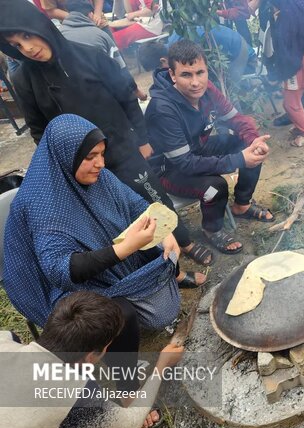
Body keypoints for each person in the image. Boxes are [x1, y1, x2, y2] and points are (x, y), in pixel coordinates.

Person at [0, 0, 214, 268]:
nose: (27, 48)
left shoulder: (90, 56)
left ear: (40, 25)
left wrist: (143, 139)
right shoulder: (24, 80)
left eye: (27, 35)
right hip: (83, 163)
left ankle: (185, 241)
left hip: (122, 148)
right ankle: (157, 263)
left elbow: (126, 96)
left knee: (153, 197)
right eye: (17, 44)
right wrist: (62, 167)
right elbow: (39, 129)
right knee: (117, 216)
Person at [2, 114, 192, 334]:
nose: (100, 163)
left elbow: (137, 206)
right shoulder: (42, 203)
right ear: (67, 156)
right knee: (120, 312)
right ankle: (120, 361)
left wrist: (165, 233)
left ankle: (169, 283)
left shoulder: (101, 177)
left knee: (163, 248)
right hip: (55, 287)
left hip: (104, 251)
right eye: (91, 156)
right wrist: (126, 247)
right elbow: (59, 270)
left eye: (102, 154)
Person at [0, 291, 184, 428]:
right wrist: (161, 366)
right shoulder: (72, 392)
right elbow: (129, 426)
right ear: (91, 355)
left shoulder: (5, 339)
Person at [145, 40, 274, 254]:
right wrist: (239, 160)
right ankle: (212, 229)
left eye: (200, 72)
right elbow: (185, 164)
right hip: (170, 170)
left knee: (250, 147)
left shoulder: (207, 90)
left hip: (198, 150)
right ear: (172, 75)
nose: (196, 82)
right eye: (186, 75)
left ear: (206, 70)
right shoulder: (163, 109)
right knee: (216, 186)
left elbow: (237, 119)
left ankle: (242, 204)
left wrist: (254, 141)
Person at [269, 0, 304, 147]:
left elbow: (288, 50)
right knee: (292, 100)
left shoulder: (288, 17)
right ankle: (300, 126)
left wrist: (282, 73)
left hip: (295, 63)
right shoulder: (294, 8)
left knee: (290, 103)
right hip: (300, 57)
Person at [138, 25, 257, 85]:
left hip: (241, 52)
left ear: (163, 60)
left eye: (159, 68)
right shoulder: (175, 37)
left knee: (226, 89)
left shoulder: (181, 49)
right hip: (232, 47)